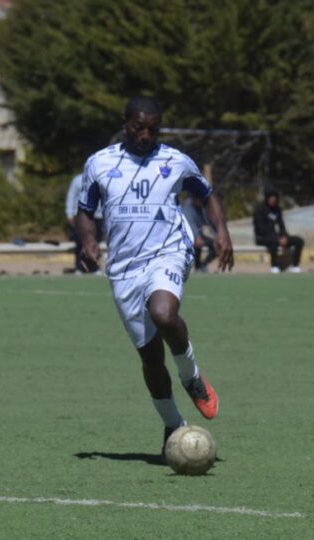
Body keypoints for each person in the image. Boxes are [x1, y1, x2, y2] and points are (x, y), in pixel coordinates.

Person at [76, 96, 235, 455]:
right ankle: (172, 425)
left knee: (164, 314)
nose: (145, 135)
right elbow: (85, 211)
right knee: (150, 359)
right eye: (138, 127)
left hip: (169, 251)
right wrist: (87, 241)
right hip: (123, 268)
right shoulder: (99, 163)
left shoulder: (175, 161)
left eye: (153, 128)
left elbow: (207, 196)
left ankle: (192, 376)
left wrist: (221, 231)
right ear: (125, 123)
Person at [253, 186, 304, 273]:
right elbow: (260, 229)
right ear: (267, 198)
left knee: (299, 241)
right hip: (262, 238)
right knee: (273, 242)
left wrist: (284, 236)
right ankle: (275, 266)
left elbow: (281, 225)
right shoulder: (259, 210)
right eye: (271, 197)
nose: (273, 200)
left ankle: (295, 266)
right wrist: (277, 238)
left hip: (277, 237)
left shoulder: (277, 209)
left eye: (275, 198)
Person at [65, 172, 103, 274]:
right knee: (80, 242)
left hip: (98, 215)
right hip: (80, 215)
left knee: (96, 242)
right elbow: (71, 196)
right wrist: (69, 213)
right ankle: (79, 267)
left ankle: (94, 267)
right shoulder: (78, 180)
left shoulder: (101, 178)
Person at [181, 193, 217, 272]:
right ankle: (196, 267)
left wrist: (215, 237)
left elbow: (208, 222)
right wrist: (197, 237)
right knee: (197, 243)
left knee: (216, 246)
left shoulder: (202, 206)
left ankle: (202, 265)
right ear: (194, 199)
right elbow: (190, 224)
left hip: (199, 233)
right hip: (186, 235)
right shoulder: (187, 208)